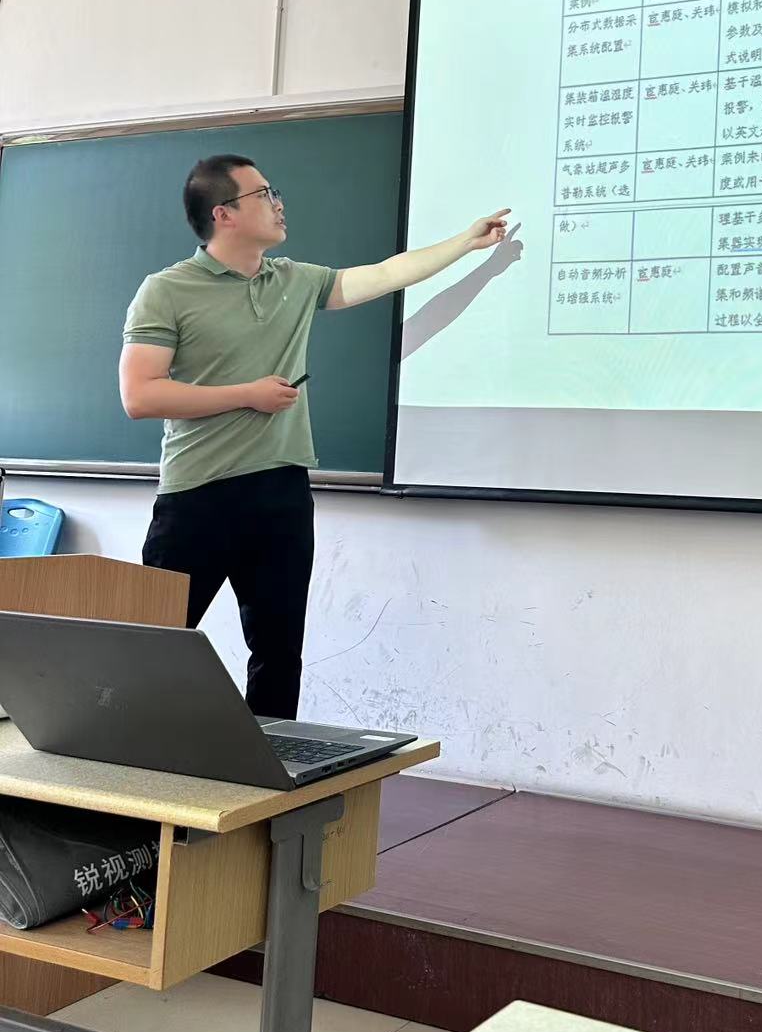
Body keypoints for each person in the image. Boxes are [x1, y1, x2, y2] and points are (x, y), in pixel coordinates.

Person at [120, 154, 509, 719]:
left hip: (281, 491)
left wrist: (464, 242)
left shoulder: (295, 280)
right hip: (197, 495)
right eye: (263, 194)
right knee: (150, 646)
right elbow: (140, 395)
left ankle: (266, 772)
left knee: (278, 655)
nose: (278, 203)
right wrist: (247, 394)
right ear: (223, 213)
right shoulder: (167, 289)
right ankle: (116, 767)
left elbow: (385, 274)